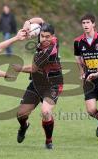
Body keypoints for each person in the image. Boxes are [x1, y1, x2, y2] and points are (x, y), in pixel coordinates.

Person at [12, 18, 63, 149]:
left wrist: (19, 68)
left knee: (46, 111)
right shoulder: (41, 37)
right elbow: (40, 20)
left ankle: (48, 140)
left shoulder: (49, 50)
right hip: (36, 83)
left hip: (53, 84)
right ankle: (24, 126)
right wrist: (28, 25)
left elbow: (33, 68)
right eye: (42, 36)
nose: (45, 39)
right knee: (21, 114)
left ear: (53, 37)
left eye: (48, 37)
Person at [73, 13, 98, 141]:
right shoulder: (78, 41)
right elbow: (78, 58)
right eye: (83, 23)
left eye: (88, 23)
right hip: (89, 79)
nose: (85, 25)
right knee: (91, 110)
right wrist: (81, 72)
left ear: (93, 24)